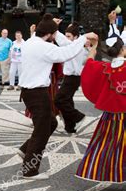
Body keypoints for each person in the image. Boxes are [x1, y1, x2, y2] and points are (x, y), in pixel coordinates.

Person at [17, 14, 97, 180]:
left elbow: (57, 45)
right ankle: (29, 170)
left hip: (28, 92)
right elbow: (66, 53)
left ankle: (25, 149)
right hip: (37, 93)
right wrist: (83, 38)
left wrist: (51, 25)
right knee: (42, 130)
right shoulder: (44, 47)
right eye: (55, 33)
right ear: (51, 34)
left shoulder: (30, 41)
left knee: (51, 122)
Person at [76, 31, 125, 183]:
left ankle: (107, 173)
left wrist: (94, 47)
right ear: (122, 50)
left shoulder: (104, 67)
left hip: (110, 116)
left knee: (106, 145)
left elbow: (89, 63)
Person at [54, 22, 88, 133]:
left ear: (76, 37)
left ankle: (78, 117)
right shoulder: (78, 48)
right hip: (71, 77)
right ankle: (70, 127)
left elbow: (62, 41)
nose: (67, 38)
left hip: (72, 78)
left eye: (69, 36)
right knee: (67, 100)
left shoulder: (73, 46)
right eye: (66, 35)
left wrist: (54, 26)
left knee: (59, 99)